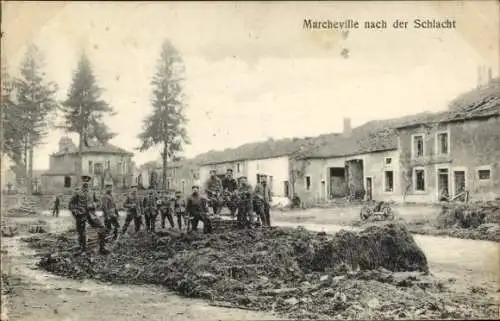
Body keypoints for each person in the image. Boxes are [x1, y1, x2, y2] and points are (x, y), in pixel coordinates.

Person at [69, 175, 109, 255]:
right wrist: (76, 211)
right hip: (81, 215)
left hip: (91, 214)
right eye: (84, 180)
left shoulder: (92, 192)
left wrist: (94, 205)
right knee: (81, 232)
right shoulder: (77, 192)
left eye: (87, 181)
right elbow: (71, 205)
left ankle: (102, 248)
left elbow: (98, 202)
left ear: (89, 182)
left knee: (102, 227)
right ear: (82, 181)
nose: (85, 182)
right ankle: (82, 249)